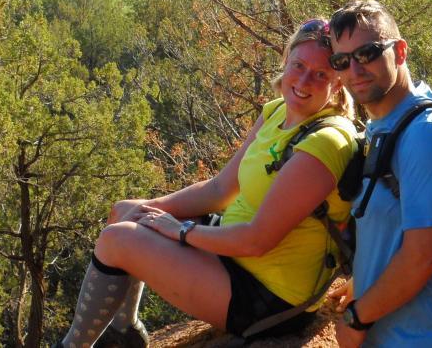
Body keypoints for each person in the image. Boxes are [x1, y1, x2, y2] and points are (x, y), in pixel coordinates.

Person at [55, 19, 358, 348]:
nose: (303, 81)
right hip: (236, 256)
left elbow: (257, 242)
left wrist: (180, 231)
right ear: (285, 61)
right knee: (124, 213)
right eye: (298, 65)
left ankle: (73, 345)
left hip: (270, 296)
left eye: (321, 74)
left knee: (117, 240)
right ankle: (124, 331)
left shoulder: (325, 141)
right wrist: (150, 210)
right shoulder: (277, 112)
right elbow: (220, 189)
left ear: (338, 83)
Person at [326, 0, 432, 347]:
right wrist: (364, 282)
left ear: (401, 51)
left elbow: (424, 258)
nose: (355, 69)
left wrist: (358, 316)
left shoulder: (429, 135)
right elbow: (393, 232)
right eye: (342, 61)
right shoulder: (384, 130)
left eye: (367, 53)